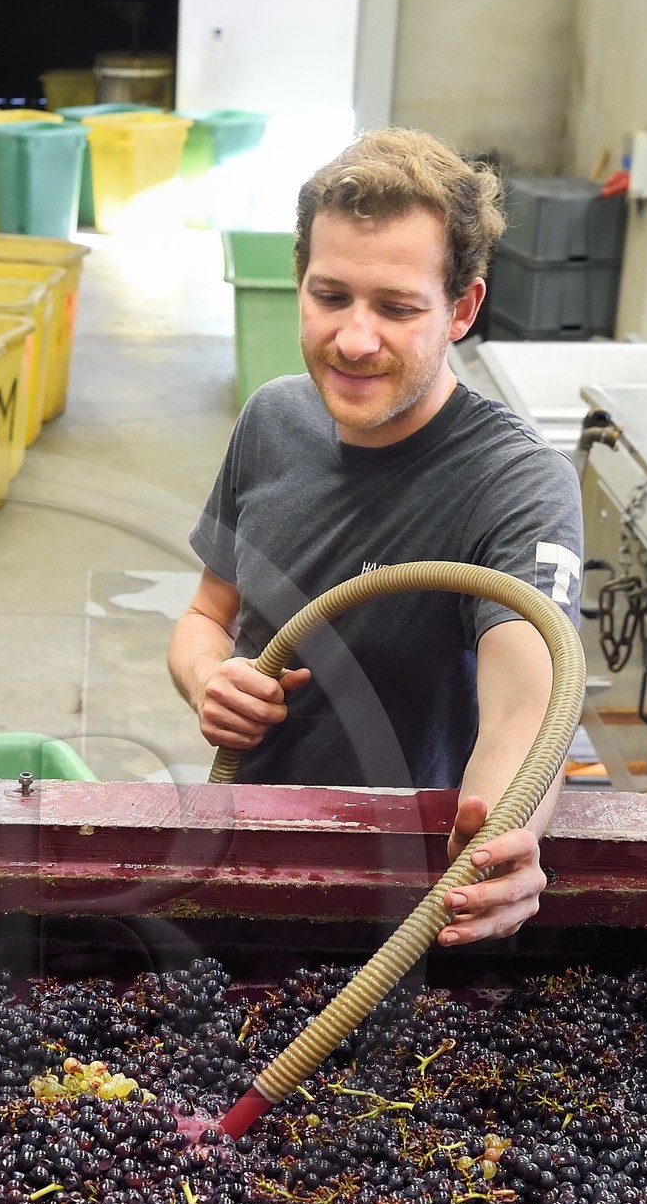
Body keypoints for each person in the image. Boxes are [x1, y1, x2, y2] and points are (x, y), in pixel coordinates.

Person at [168, 128, 583, 947]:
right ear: (299, 283)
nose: (355, 340)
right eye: (330, 297)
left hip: (405, 887)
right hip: (247, 851)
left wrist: (501, 842)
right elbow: (205, 616)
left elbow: (526, 710)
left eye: (396, 308)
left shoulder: (519, 482)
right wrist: (210, 677)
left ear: (462, 308)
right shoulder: (271, 419)